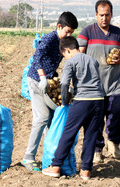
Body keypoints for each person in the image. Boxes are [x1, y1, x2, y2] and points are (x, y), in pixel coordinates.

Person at [21, 12, 78, 172]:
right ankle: (28, 157)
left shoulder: (62, 42)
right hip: (36, 81)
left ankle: (50, 155)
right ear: (59, 27)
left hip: (49, 82)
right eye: (67, 31)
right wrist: (42, 76)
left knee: (54, 120)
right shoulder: (49, 39)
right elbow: (37, 56)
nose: (68, 35)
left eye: (71, 33)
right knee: (42, 117)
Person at [42, 36, 104, 180]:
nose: (65, 58)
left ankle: (56, 166)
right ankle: (86, 170)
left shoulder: (71, 62)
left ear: (67, 50)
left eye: (64, 55)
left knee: (68, 133)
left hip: (82, 100)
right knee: (90, 135)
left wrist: (64, 102)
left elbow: (64, 84)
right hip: (99, 100)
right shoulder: (92, 60)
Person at [77, 0, 120, 162]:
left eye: (107, 15)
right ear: (96, 15)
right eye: (101, 15)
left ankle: (114, 142)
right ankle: (96, 150)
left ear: (111, 15)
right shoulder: (87, 32)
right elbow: (79, 56)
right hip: (94, 86)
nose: (104, 18)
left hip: (115, 83)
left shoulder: (117, 33)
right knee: (95, 119)